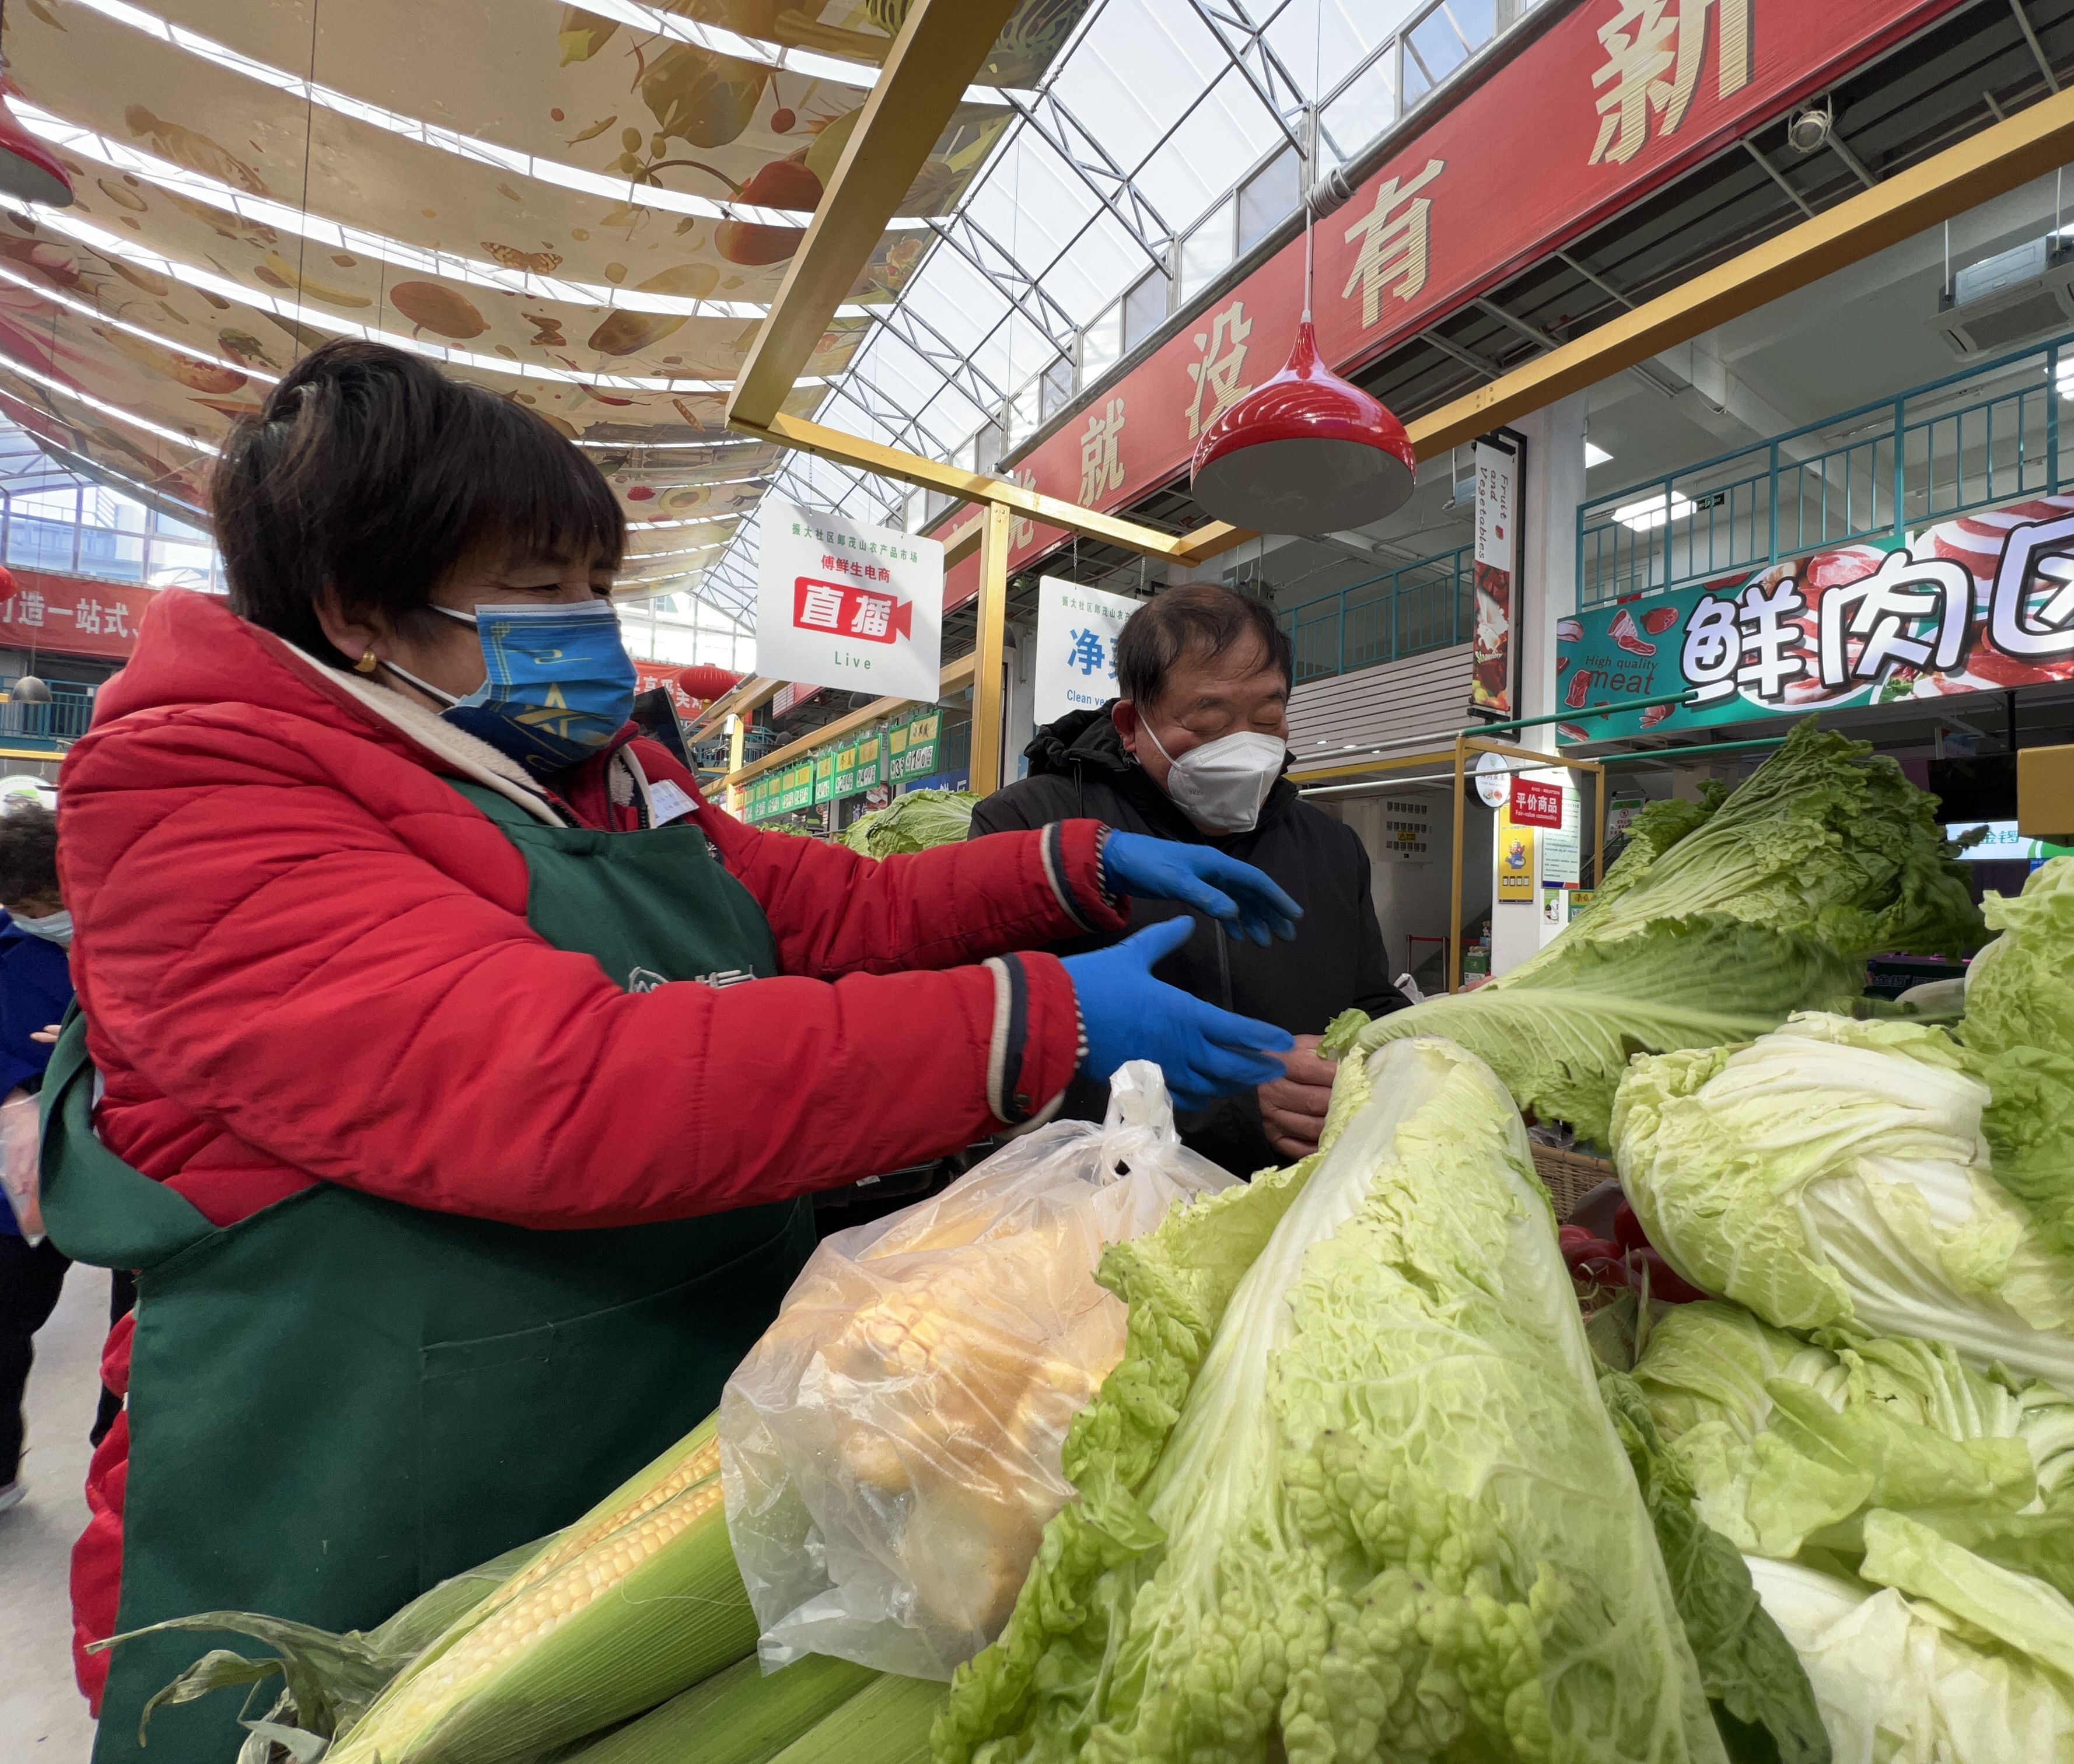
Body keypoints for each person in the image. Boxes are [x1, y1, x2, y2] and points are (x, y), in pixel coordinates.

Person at [47, 340, 1305, 1763]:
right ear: (357, 611)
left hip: (628, 1460)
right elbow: (558, 1086)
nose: (593, 629)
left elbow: (829, 907)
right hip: (356, 1504)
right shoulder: (204, 792)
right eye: (539, 591)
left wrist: (1077, 866)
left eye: (599, 586)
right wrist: (1036, 1022)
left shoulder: (595, 774)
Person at [972, 583, 1410, 1174]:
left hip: (1302, 1206)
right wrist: (1230, 1105)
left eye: (1267, 718)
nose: (1245, 746)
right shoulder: (1027, 826)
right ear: (1131, 724)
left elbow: (1369, 1003)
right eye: (1208, 722)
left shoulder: (1331, 847)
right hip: (1101, 1208)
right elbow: (996, 1044)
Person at [0, 799, 75, 1513]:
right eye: (21, 905)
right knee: (4, 1324)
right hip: (20, 1181)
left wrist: (92, 1044)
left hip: (136, 1162)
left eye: (50, 902)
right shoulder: (10, 951)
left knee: (144, 1331)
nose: (38, 915)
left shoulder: (141, 939)